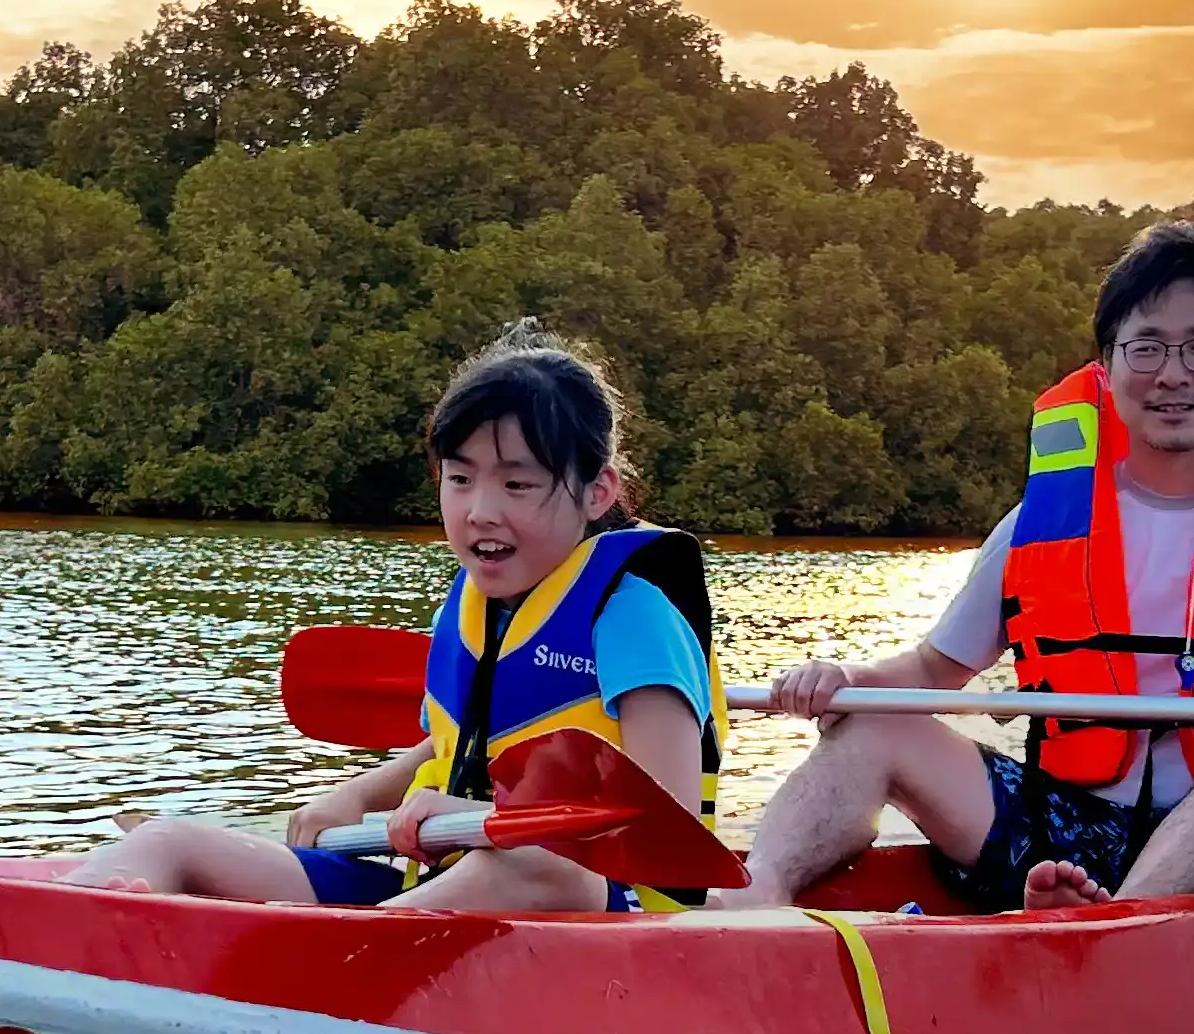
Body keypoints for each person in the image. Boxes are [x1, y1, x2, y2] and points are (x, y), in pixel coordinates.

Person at [709, 219, 1194, 914]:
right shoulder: (1038, 524)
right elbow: (935, 671)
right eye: (1146, 348)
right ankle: (756, 894)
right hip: (1076, 828)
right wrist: (849, 683)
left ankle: (1110, 928)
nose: (1172, 374)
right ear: (1107, 366)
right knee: (869, 726)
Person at [67, 324, 724, 913]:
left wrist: (480, 819)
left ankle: (339, 966)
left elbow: (661, 822)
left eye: (516, 484)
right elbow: (455, 745)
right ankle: (82, 923)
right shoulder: (478, 605)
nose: (479, 510)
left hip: (599, 904)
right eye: (460, 479)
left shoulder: (635, 614)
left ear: (598, 491)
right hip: (448, 883)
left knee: (528, 867)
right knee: (165, 840)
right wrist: (358, 795)